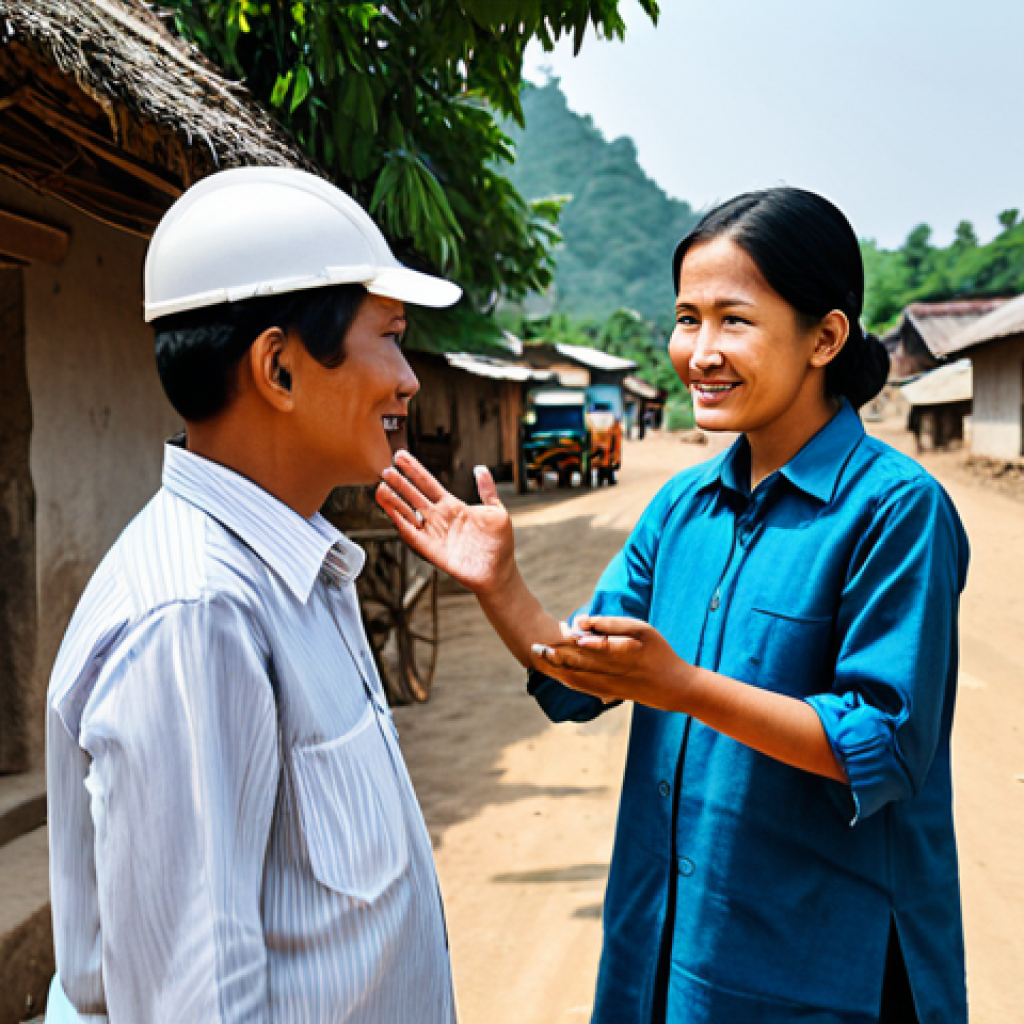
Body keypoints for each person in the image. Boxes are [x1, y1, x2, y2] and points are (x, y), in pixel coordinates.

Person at [378, 188, 968, 1023]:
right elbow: (583, 673)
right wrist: (500, 585)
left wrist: (684, 688)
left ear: (825, 338)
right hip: (663, 952)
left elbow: (885, 744)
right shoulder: (682, 509)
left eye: (735, 320)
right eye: (687, 318)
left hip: (821, 973)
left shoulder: (895, 510)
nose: (700, 351)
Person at [45, 167, 461, 1023]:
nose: (408, 379)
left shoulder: (295, 572)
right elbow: (194, 1000)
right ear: (279, 368)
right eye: (390, 338)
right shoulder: (198, 615)